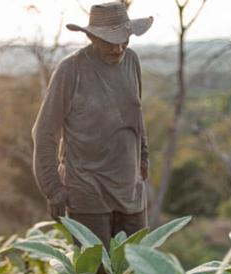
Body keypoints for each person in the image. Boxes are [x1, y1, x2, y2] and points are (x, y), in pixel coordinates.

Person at [32, 2, 153, 249]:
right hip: (87, 193)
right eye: (110, 41)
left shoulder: (132, 61)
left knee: (134, 273)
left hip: (130, 191)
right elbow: (44, 131)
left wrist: (144, 158)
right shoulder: (71, 69)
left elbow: (135, 114)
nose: (119, 48)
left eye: (125, 40)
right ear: (92, 37)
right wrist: (53, 188)